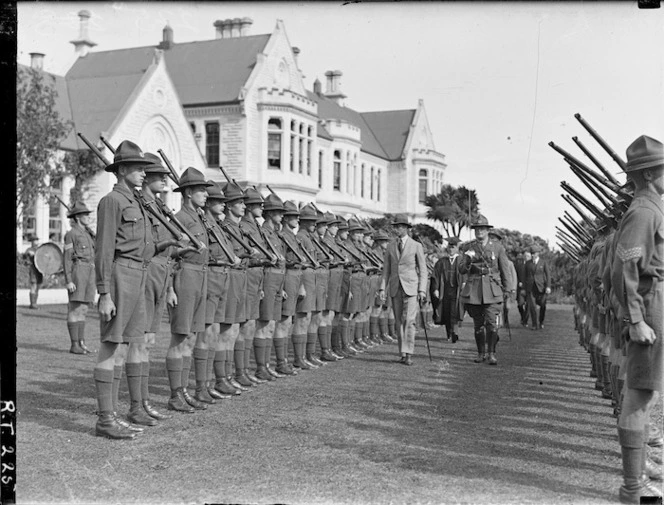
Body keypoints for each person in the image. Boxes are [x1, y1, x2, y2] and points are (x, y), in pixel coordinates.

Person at [610, 135, 664, 503]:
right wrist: (635, 320)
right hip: (648, 308)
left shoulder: (653, 206)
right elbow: (623, 266)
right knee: (639, 395)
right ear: (648, 175)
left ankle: (638, 475)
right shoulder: (644, 210)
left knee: (646, 394)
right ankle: (633, 486)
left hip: (655, 303)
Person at [93, 140, 155, 439]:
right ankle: (105, 419)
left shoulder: (136, 202)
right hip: (120, 276)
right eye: (139, 169)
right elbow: (103, 249)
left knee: (131, 343)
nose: (144, 174)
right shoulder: (112, 201)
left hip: (139, 275)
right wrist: (104, 292)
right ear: (123, 170)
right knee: (111, 345)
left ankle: (124, 411)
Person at [165, 168, 212, 412]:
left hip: (200, 276)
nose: (205, 194)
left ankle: (183, 390)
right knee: (180, 336)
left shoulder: (200, 218)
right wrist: (170, 289)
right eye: (201, 190)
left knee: (192, 336)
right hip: (184, 276)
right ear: (188, 192)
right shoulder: (179, 219)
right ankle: (175, 395)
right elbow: (170, 254)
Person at [458, 214, 510, 365]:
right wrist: (467, 259)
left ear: (487, 231)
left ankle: (491, 353)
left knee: (492, 323)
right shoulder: (468, 247)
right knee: (478, 324)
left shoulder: (497, 248)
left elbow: (504, 269)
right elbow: (461, 270)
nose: (479, 232)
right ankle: (481, 353)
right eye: (476, 229)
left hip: (492, 289)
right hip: (474, 290)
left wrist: (508, 289)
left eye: (482, 229)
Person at [380, 213, 427, 366]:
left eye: (401, 226)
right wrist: (382, 288)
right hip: (395, 287)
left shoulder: (416, 245)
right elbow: (386, 270)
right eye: (396, 227)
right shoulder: (390, 246)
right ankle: (402, 352)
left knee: (409, 320)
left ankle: (409, 353)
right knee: (399, 321)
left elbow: (423, 270)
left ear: (407, 228)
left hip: (411, 288)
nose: (398, 229)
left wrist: (422, 290)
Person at [63, 202, 96, 354]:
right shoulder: (71, 234)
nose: (88, 217)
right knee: (75, 308)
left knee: (83, 309)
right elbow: (67, 258)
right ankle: (74, 344)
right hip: (78, 270)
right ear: (77, 217)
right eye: (85, 214)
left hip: (90, 271)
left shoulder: (88, 233)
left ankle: (81, 343)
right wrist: (69, 280)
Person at [431, 237, 463, 343]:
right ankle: (449, 334)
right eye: (449, 247)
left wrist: (464, 283)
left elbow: (466, 274)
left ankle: (454, 333)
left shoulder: (462, 261)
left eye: (453, 247)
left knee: (454, 312)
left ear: (457, 248)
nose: (451, 249)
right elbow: (435, 276)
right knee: (446, 313)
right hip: (444, 291)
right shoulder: (441, 262)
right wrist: (435, 288)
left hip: (457, 291)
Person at [525, 245, 551, 330]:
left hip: (541, 287)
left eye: (534, 253)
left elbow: (548, 275)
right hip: (531, 288)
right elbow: (524, 276)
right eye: (531, 253)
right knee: (532, 306)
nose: (532, 255)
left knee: (543, 305)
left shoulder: (543, 263)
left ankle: (541, 321)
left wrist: (548, 286)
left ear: (538, 254)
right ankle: (534, 324)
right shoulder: (528, 263)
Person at [23, 234, 43, 309]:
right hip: (33, 270)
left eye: (37, 240)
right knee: (33, 286)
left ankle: (35, 302)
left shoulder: (40, 249)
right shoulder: (29, 250)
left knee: (38, 286)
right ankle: (32, 304)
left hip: (40, 270)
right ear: (32, 241)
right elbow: (25, 259)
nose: (36, 241)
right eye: (35, 240)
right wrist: (29, 255)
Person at [515, 251, 531, 326]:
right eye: (525, 256)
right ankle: (523, 316)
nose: (526, 257)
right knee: (520, 304)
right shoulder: (519, 265)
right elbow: (516, 276)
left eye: (528, 256)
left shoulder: (532, 265)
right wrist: (518, 282)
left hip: (529, 289)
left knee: (528, 306)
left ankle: (525, 321)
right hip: (521, 289)